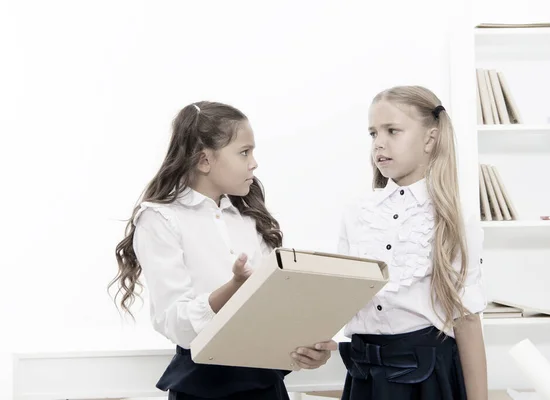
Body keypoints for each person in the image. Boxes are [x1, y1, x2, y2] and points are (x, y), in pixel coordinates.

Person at [111, 101, 336, 400]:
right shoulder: (161, 219)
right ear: (204, 160)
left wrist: (305, 347)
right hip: (203, 388)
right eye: (244, 152)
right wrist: (234, 287)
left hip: (266, 386)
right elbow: (175, 322)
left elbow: (274, 311)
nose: (253, 163)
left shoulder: (248, 217)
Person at [337, 86, 488, 399]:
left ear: (430, 139)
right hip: (364, 377)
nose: (379, 143)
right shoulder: (357, 211)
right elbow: (341, 299)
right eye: (373, 133)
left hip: (428, 381)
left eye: (392, 131)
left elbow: (467, 319)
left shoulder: (454, 215)